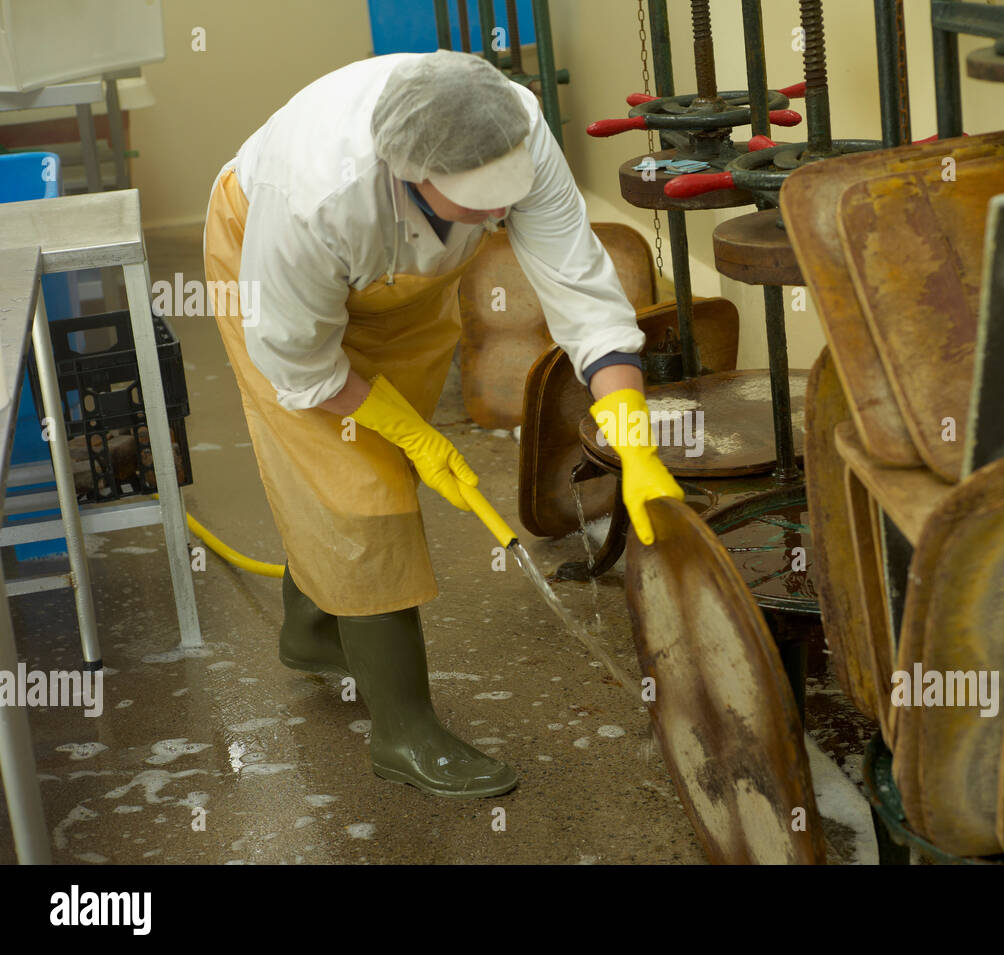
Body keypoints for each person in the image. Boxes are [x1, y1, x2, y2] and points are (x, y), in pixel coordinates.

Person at [203, 51, 682, 799]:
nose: (498, 219)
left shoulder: (512, 129)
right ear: (406, 172)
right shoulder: (310, 198)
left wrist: (627, 416)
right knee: (363, 489)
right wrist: (415, 435)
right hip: (276, 288)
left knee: (368, 473)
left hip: (408, 288)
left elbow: (580, 288)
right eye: (478, 203)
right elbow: (303, 366)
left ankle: (310, 626)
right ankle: (402, 730)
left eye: (505, 199)